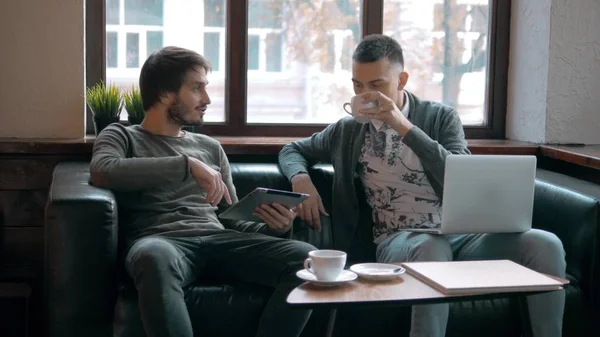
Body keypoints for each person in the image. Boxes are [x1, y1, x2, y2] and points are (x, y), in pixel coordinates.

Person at [278, 34, 566, 337]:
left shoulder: (440, 117)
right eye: (357, 86)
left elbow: (457, 176)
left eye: (376, 85)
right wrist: (302, 180)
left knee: (546, 245)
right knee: (431, 248)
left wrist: (401, 125)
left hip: (463, 237)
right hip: (400, 241)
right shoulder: (348, 131)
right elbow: (292, 150)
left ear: (401, 80)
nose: (366, 95)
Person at [89, 46, 315, 337]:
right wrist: (187, 164)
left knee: (306, 258)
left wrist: (275, 228)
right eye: (197, 89)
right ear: (164, 93)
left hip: (220, 239)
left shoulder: (210, 147)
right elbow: (103, 170)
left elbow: (231, 219)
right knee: (153, 255)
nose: (207, 100)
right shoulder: (120, 135)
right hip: (163, 242)